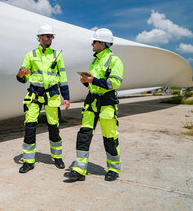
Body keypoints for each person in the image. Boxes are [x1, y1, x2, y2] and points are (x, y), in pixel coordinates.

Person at [64, 28, 124, 181]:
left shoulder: (114, 60)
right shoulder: (94, 61)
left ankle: (113, 169)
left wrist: (93, 80)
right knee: (84, 135)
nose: (92, 43)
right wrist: (86, 82)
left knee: (110, 137)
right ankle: (79, 170)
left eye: (94, 41)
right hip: (92, 101)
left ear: (102, 43)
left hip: (107, 103)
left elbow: (115, 82)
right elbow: (94, 85)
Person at [16, 24, 70, 173]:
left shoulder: (56, 55)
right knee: (30, 127)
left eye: (52, 36)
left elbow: (63, 78)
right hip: (34, 95)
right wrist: (20, 75)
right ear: (39, 37)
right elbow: (23, 76)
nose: (50, 39)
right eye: (47, 36)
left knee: (54, 127)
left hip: (52, 95)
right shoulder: (30, 55)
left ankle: (57, 157)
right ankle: (28, 161)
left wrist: (66, 97)